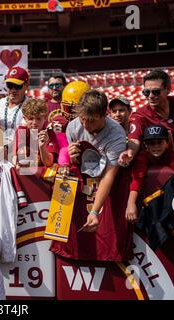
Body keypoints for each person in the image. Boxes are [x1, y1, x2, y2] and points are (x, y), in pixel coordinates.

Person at [67, 90, 126, 232]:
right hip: (82, 183)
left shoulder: (116, 135)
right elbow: (71, 163)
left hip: (107, 186)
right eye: (83, 119)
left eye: (91, 120)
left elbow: (108, 176)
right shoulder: (74, 126)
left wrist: (94, 212)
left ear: (104, 115)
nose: (86, 124)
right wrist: (72, 158)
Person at [119, 70, 174, 166]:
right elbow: (134, 138)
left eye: (156, 92)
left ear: (168, 89)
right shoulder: (140, 115)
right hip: (161, 167)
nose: (151, 96)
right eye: (146, 92)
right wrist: (130, 152)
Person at [125, 125, 174, 223]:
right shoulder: (142, 157)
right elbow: (137, 181)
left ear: (167, 143)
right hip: (146, 204)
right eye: (151, 143)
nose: (156, 146)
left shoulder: (171, 155)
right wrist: (131, 203)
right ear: (145, 145)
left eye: (160, 142)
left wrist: (169, 191)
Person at [13, 98, 61, 168]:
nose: (35, 122)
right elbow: (19, 158)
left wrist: (42, 147)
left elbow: (49, 163)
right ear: (24, 118)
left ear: (45, 117)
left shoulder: (49, 133)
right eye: (31, 118)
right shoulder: (22, 131)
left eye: (38, 118)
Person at [0, 66, 30, 143]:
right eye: (9, 85)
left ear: (26, 85)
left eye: (17, 86)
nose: (13, 90)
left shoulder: (32, 106)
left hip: (20, 151)